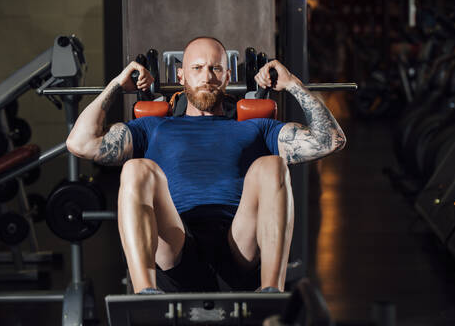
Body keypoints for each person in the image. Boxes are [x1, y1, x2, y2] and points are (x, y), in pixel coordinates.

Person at [66, 37, 346, 294]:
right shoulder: (153, 127)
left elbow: (330, 141)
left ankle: (271, 291)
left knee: (273, 165)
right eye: (197, 67)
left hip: (238, 245)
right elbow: (80, 143)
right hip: (174, 243)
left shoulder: (257, 129)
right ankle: (145, 296)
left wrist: (293, 83)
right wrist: (116, 85)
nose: (207, 76)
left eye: (215, 68)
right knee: (135, 169)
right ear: (181, 75)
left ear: (227, 76)